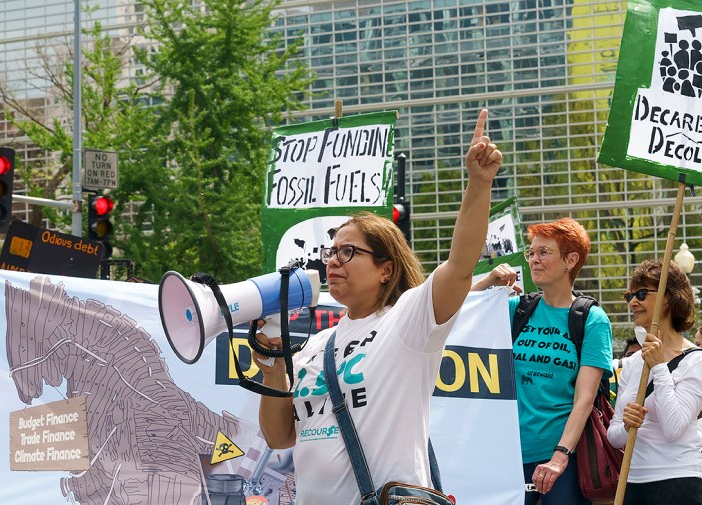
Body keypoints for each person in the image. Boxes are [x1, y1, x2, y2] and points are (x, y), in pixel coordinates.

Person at [252, 109, 502, 504]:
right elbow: (280, 436)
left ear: (386, 269)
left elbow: (459, 265)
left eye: (348, 251)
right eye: (330, 252)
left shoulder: (408, 320)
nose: (333, 261)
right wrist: (274, 371)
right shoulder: (316, 345)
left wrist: (479, 184)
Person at [472, 217, 613, 505]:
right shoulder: (516, 309)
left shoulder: (591, 320)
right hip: (506, 456)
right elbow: (455, 313)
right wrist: (488, 281)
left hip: (561, 459)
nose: (534, 260)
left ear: (570, 260)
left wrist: (560, 457)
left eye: (544, 252)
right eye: (531, 252)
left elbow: (584, 400)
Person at [608, 259, 702, 505]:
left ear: (668, 297)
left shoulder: (695, 360)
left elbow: (674, 427)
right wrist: (626, 425)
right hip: (632, 484)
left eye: (642, 294)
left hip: (680, 482)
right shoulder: (633, 363)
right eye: (630, 295)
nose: (633, 302)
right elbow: (613, 437)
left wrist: (659, 367)